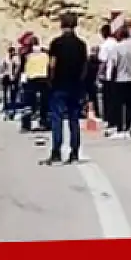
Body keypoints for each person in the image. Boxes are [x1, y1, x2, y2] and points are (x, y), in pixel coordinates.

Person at [46, 13, 88, 164]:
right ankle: (74, 152)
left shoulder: (56, 43)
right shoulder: (81, 45)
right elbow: (84, 67)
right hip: (75, 86)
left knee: (57, 119)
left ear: (61, 25)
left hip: (59, 85)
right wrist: (81, 84)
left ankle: (56, 152)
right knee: (74, 120)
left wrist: (50, 80)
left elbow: (52, 65)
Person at [105, 27, 131, 137]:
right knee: (129, 104)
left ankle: (120, 127)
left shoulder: (117, 47)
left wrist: (112, 79)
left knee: (118, 105)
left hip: (119, 79)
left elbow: (114, 65)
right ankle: (128, 127)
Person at [20, 44, 50, 132]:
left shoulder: (27, 56)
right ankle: (44, 123)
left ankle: (26, 125)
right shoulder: (46, 56)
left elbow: (23, 70)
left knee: (28, 104)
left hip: (31, 80)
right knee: (44, 103)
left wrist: (22, 82)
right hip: (44, 79)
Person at [96, 23, 117, 122]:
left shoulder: (105, 45)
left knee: (107, 99)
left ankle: (108, 118)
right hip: (117, 75)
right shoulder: (116, 43)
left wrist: (98, 75)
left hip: (108, 75)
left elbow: (103, 62)